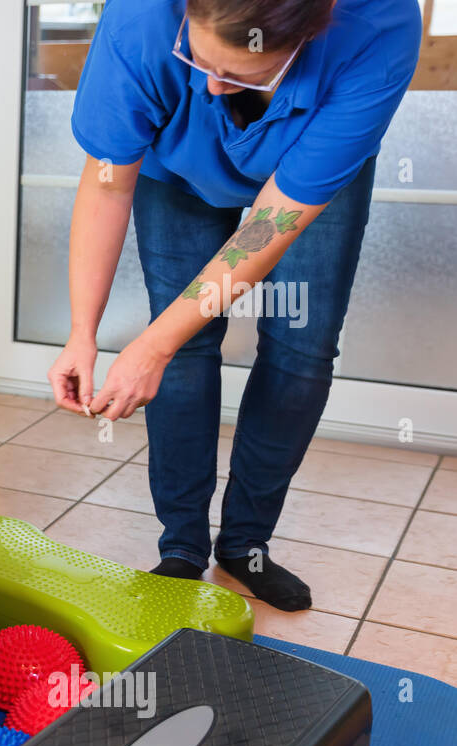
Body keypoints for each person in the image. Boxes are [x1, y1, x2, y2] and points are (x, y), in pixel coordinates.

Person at [48, 0, 422, 610]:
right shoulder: (142, 20)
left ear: (304, 37)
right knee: (184, 341)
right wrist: (82, 333)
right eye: (197, 59)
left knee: (302, 346)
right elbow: (109, 181)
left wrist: (150, 345)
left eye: (242, 74)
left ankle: (246, 545)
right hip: (177, 167)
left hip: (304, 178)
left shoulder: (378, 29)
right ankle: (183, 547)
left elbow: (270, 223)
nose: (213, 86)